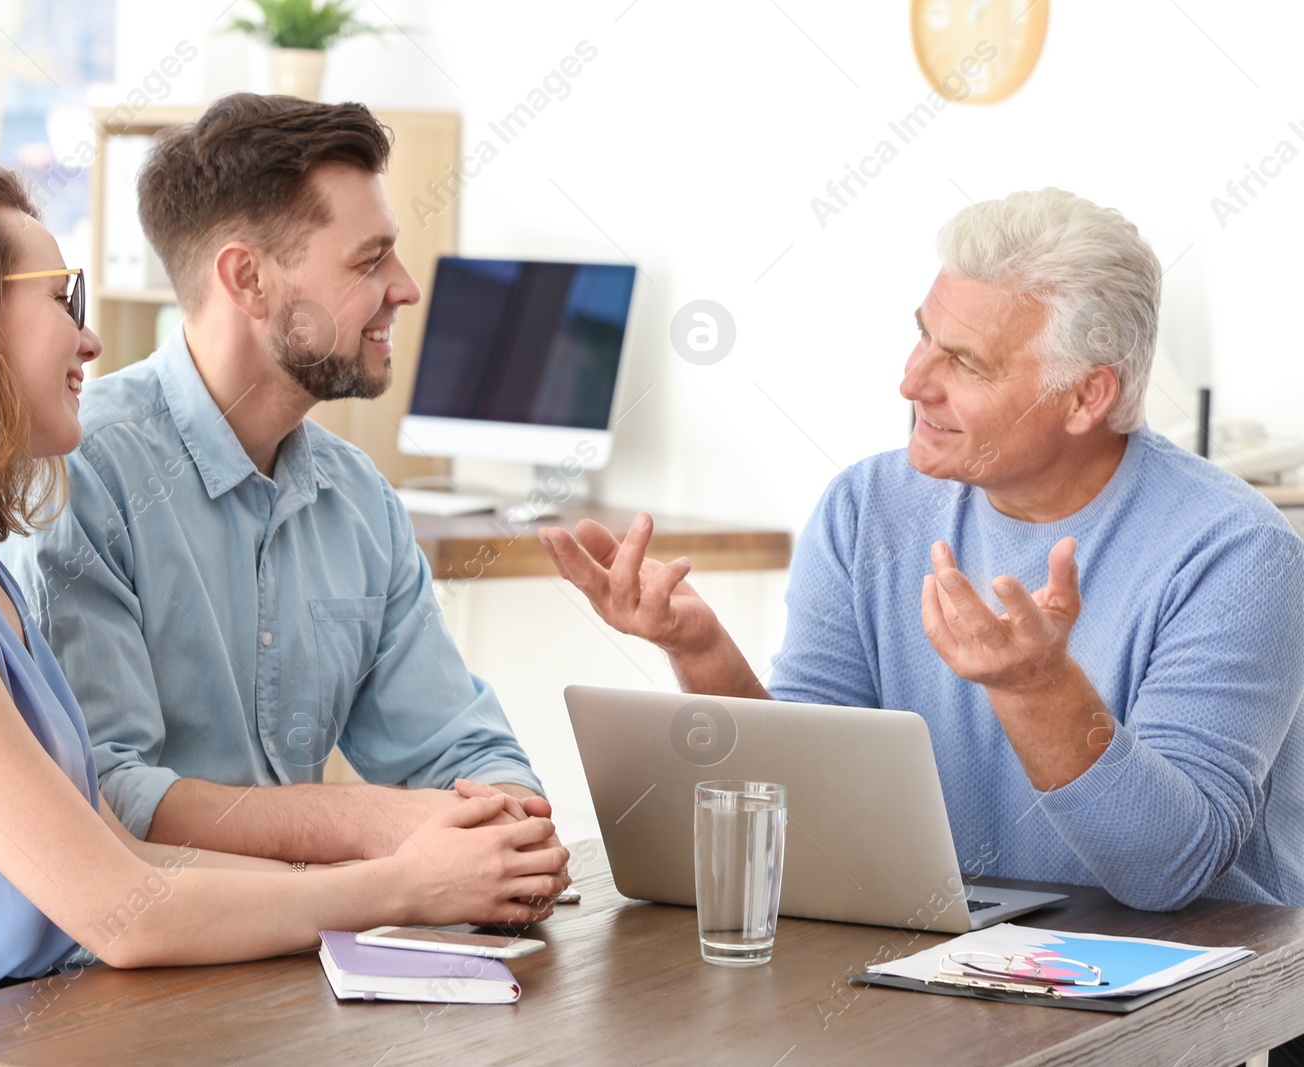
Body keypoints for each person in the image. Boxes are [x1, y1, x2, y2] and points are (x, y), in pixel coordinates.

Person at [0, 157, 567, 1064]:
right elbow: (113, 910)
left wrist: (408, 870)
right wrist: (400, 885)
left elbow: (119, 851)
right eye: (61, 299)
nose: (90, 342)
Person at [541, 188, 1304, 916]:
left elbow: (1167, 870)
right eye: (922, 336)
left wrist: (1038, 689)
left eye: (965, 362)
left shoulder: (1239, 555)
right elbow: (813, 810)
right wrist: (701, 649)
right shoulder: (865, 508)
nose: (911, 380)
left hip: (1192, 1003)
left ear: (1086, 396)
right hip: (953, 960)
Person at [0, 94, 557, 864]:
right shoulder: (84, 479)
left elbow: (461, 748)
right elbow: (109, 796)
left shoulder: (361, 501)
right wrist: (381, 825)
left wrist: (510, 825)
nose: (406, 287)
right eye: (370, 259)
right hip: (141, 969)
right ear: (249, 278)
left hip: (313, 954)